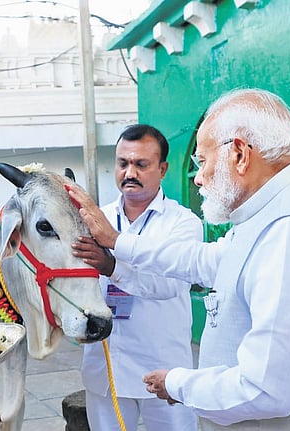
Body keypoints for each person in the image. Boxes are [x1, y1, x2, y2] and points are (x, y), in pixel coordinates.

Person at [68, 88, 290, 430]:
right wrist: (117, 242)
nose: (199, 178)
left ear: (239, 154)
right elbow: (204, 260)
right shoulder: (278, 211)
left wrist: (178, 384)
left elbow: (265, 389)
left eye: (203, 162)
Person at [71, 124, 201, 431]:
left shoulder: (183, 223)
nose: (130, 172)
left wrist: (111, 264)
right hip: (107, 370)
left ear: (163, 168)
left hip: (162, 367)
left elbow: (168, 284)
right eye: (123, 163)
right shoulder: (92, 219)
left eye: (141, 164)